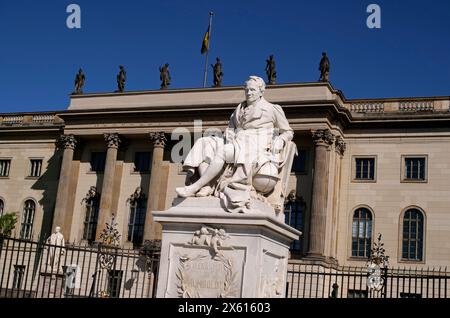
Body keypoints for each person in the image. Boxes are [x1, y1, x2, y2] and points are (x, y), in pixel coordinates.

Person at [176, 75, 293, 213]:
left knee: (223, 152)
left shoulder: (272, 109)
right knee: (204, 142)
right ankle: (207, 185)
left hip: (254, 145)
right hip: (235, 141)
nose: (249, 93)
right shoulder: (238, 110)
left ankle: (194, 187)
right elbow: (230, 130)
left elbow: (288, 131)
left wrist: (280, 140)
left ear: (261, 91)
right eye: (247, 90)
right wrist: (229, 135)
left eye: (253, 90)